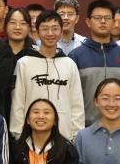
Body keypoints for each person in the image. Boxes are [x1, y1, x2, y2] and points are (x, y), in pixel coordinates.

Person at [11, 11, 85, 141]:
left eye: (55, 28)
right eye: (45, 29)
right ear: (37, 31)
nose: (50, 33)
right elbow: (18, 103)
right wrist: (18, 135)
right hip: (30, 139)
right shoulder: (24, 64)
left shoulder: (69, 64)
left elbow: (77, 104)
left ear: (61, 31)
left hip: (64, 137)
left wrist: (76, 136)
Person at [69, 0, 120, 126]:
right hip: (85, 128)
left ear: (113, 22)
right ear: (88, 22)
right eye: (98, 18)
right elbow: (70, 98)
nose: (103, 21)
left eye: (107, 18)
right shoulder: (76, 56)